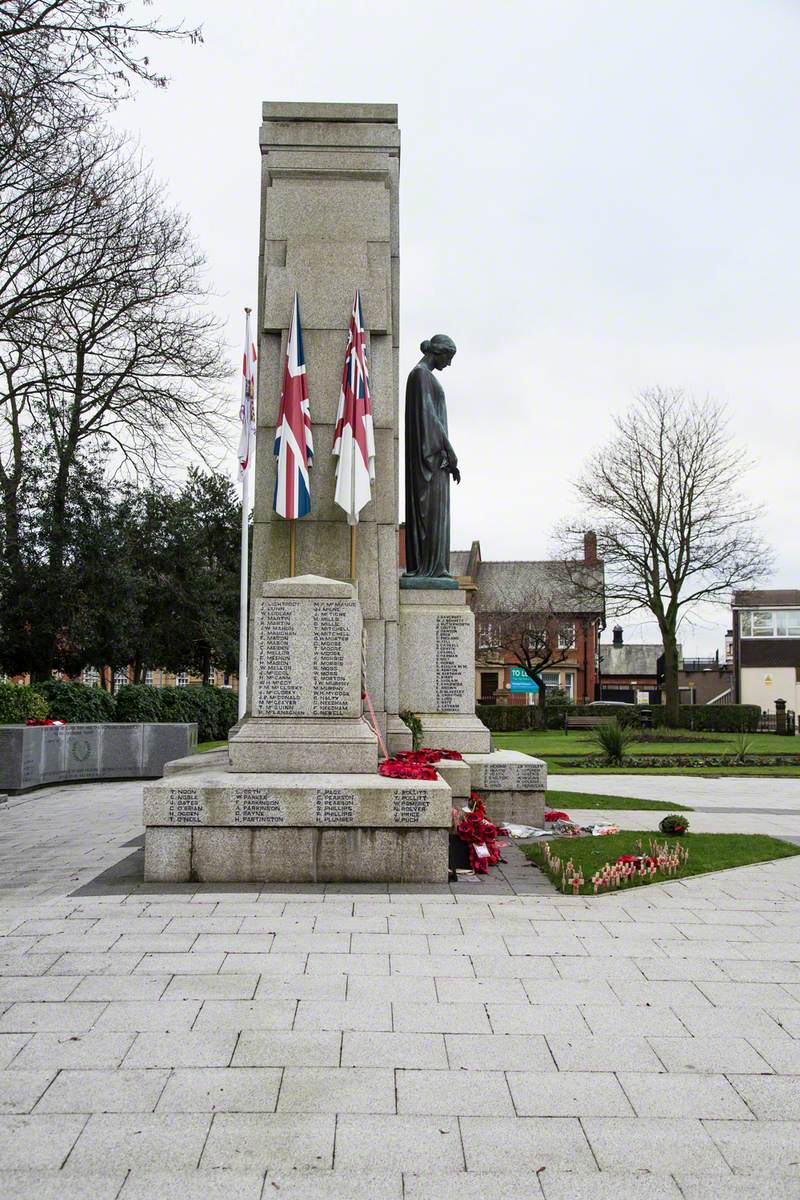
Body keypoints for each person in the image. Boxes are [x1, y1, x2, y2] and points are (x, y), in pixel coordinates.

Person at [403, 334, 460, 582]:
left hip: (437, 457)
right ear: (438, 352)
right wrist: (449, 448)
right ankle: (430, 568)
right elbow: (429, 417)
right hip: (430, 458)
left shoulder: (424, 376)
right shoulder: (421, 375)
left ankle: (436, 567)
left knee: (439, 514)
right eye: (449, 357)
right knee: (431, 513)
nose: (449, 364)